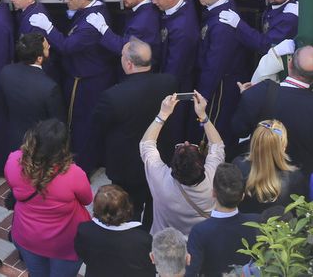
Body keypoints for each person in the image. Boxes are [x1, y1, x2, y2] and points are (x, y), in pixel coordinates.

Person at [89, 38, 173, 219]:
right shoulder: (169, 82)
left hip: (126, 166)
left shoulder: (113, 96)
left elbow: (98, 126)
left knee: (127, 210)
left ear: (128, 64)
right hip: (159, 162)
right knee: (154, 205)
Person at [1, 119, 91, 277]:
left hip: (27, 236)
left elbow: (12, 185)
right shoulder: (74, 174)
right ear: (63, 148)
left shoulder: (14, 160)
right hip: (65, 243)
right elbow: (87, 199)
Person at [139, 91, 223, 238]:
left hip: (164, 243)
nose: (186, 142)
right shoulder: (213, 178)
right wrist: (203, 115)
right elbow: (217, 145)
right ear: (202, 165)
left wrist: (163, 114)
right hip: (197, 242)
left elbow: (146, 145)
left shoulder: (161, 179)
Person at [0, 32, 61, 160]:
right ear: (39, 58)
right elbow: (56, 122)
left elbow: (2, 105)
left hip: (13, 138)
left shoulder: (6, 72)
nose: (49, 46)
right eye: (46, 47)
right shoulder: (50, 87)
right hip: (38, 145)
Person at [184, 164, 257, 277]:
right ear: (242, 196)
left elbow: (190, 272)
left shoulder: (199, 232)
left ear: (213, 193)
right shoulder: (255, 223)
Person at [72, 183, 153, 275]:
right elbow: (148, 266)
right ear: (128, 208)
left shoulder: (84, 229)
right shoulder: (142, 239)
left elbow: (82, 253)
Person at [233, 119, 306, 212]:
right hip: (278, 226)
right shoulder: (295, 177)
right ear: (283, 146)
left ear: (254, 142)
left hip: (244, 225)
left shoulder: (239, 165)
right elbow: (298, 213)